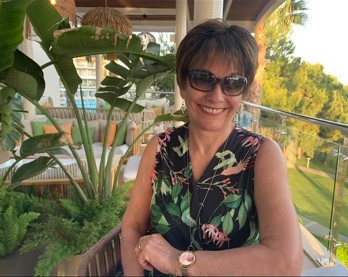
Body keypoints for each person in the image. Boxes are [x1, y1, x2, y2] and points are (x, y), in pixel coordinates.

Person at [121, 18, 303, 276]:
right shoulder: (160, 148)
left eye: (233, 82)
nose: (217, 95)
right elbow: (132, 225)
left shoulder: (261, 155)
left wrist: (177, 261)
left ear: (243, 90)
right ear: (183, 85)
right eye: (203, 79)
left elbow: (285, 262)